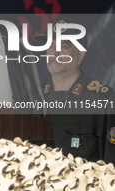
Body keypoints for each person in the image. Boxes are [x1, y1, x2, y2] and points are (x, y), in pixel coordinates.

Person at [36, 19, 115, 164]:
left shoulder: (104, 100)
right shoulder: (34, 97)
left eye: (63, 46)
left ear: (80, 56)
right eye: (51, 45)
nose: (55, 52)